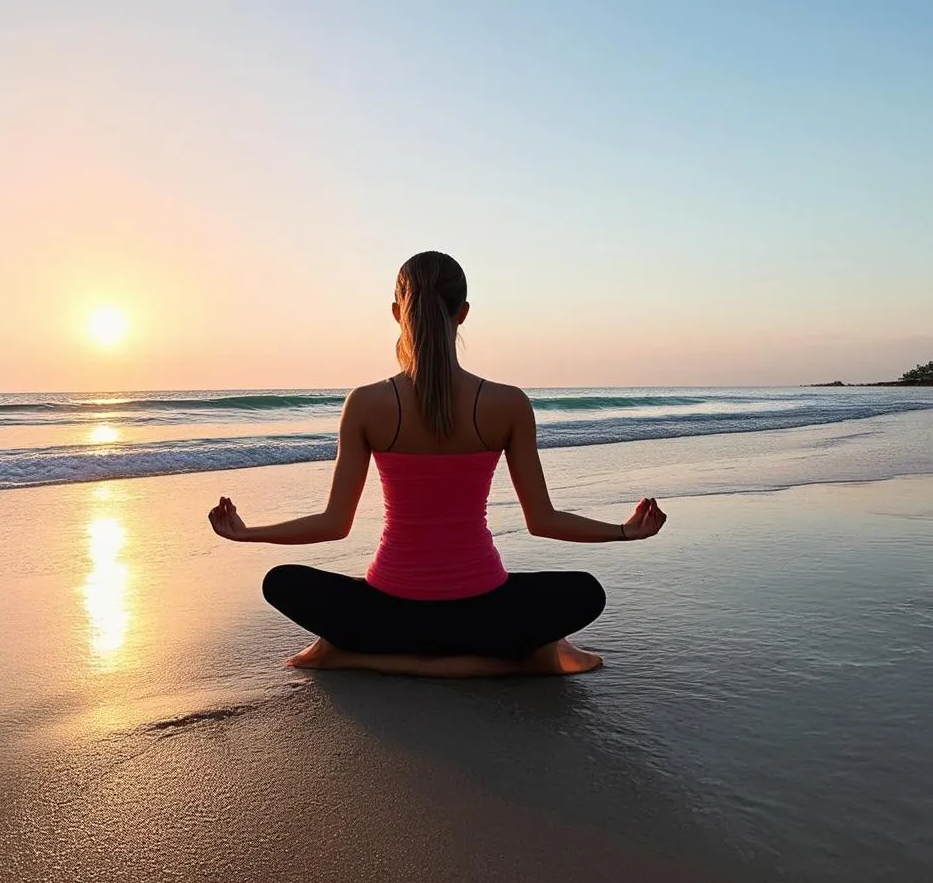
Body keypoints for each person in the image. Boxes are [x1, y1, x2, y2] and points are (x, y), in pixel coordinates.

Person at [208, 251, 667, 677]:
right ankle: (516, 661)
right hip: (484, 615)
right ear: (463, 312)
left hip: (386, 615)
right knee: (584, 592)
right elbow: (543, 521)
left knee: (283, 582)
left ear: (395, 313)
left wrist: (249, 533)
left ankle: (355, 654)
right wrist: (624, 531)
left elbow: (334, 524)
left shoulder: (366, 403)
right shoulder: (507, 404)